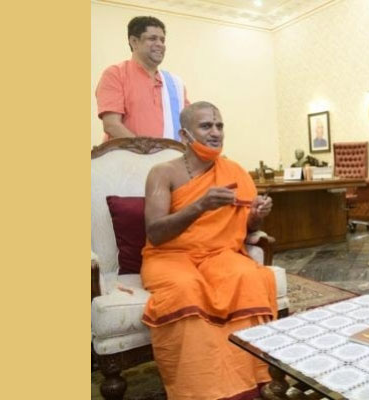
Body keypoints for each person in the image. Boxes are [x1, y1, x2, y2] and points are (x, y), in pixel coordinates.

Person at [141, 101, 276, 400]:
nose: (215, 132)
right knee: (185, 289)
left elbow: (243, 229)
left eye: (219, 125)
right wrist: (200, 205)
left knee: (248, 277)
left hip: (218, 253)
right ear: (184, 134)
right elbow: (155, 233)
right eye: (206, 126)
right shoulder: (162, 173)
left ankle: (251, 383)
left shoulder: (234, 171)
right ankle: (200, 390)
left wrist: (256, 216)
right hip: (170, 256)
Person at [96, 16, 190, 141]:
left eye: (162, 40)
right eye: (152, 38)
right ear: (134, 41)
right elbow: (112, 125)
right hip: (127, 153)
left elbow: (189, 127)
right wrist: (146, 151)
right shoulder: (116, 74)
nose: (160, 44)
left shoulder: (174, 83)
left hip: (172, 153)